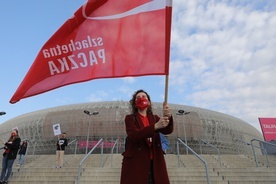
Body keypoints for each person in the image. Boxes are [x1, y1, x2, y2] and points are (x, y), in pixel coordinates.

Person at [120, 89, 173, 184]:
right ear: (134, 102)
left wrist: (168, 116)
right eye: (138, 97)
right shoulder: (130, 118)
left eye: (144, 96)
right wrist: (155, 126)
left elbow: (167, 130)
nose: (141, 98)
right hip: (137, 164)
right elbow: (134, 135)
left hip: (155, 164)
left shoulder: (155, 118)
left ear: (148, 101)